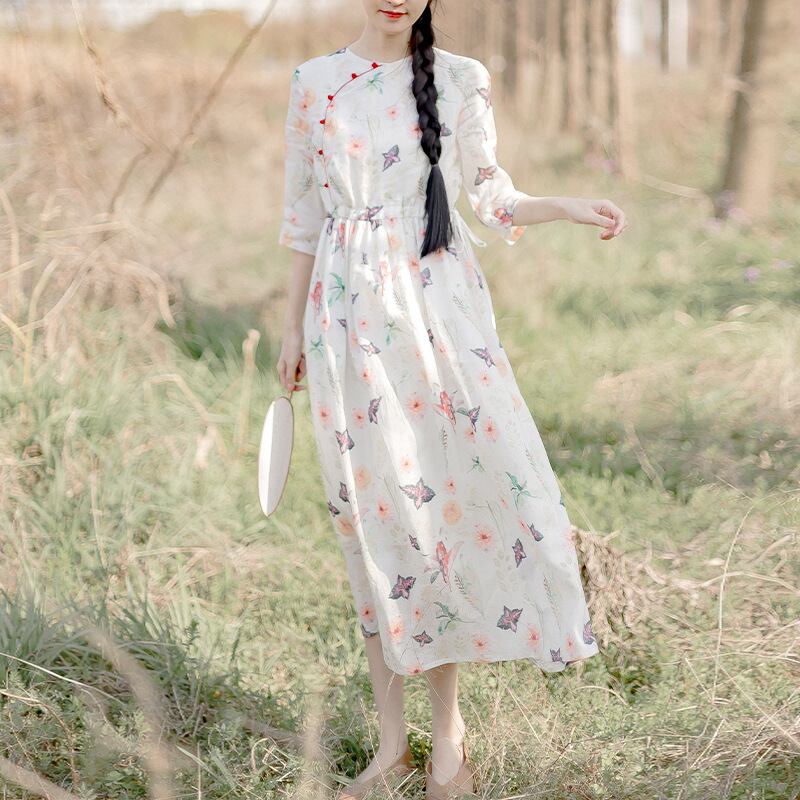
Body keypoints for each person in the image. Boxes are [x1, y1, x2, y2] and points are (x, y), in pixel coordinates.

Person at [276, 2, 627, 797]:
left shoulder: (461, 79)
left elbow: (490, 193)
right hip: (344, 324)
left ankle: (447, 740)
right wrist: (292, 328)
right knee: (370, 525)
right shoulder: (314, 83)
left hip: (435, 319)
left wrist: (562, 206)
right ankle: (390, 747)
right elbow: (303, 219)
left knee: (433, 514)